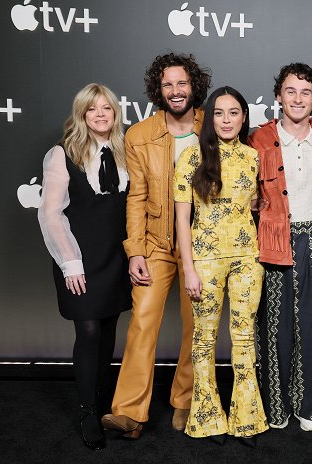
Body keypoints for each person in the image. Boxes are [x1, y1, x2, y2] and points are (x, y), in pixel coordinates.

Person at [101, 53, 211, 438]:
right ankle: (129, 412)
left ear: (194, 85)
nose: (176, 91)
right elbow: (135, 197)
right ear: (157, 89)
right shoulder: (139, 135)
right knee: (143, 321)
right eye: (168, 84)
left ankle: (186, 401)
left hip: (202, 245)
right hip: (156, 243)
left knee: (198, 326)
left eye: (182, 83)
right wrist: (135, 250)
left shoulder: (213, 125)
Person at [248, 63, 312, 431]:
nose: (298, 98)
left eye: (305, 92)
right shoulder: (259, 140)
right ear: (278, 96)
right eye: (290, 91)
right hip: (272, 238)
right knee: (274, 325)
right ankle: (276, 407)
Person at [38, 83, 131, 450]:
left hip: (116, 258)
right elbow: (50, 214)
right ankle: (87, 410)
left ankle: (102, 400)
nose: (100, 115)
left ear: (115, 113)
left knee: (108, 331)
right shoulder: (62, 154)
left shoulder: (126, 152)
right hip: (79, 258)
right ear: (81, 114)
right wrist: (70, 263)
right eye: (92, 109)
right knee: (89, 331)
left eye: (106, 108)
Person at [174, 86, 268, 447]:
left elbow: (256, 204)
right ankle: (208, 417)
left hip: (247, 258)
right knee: (205, 339)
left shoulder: (252, 156)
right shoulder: (191, 156)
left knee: (244, 338)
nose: (226, 120)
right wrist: (189, 269)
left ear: (244, 117)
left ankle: (246, 418)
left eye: (234, 113)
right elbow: (182, 220)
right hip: (205, 261)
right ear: (209, 117)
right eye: (219, 113)